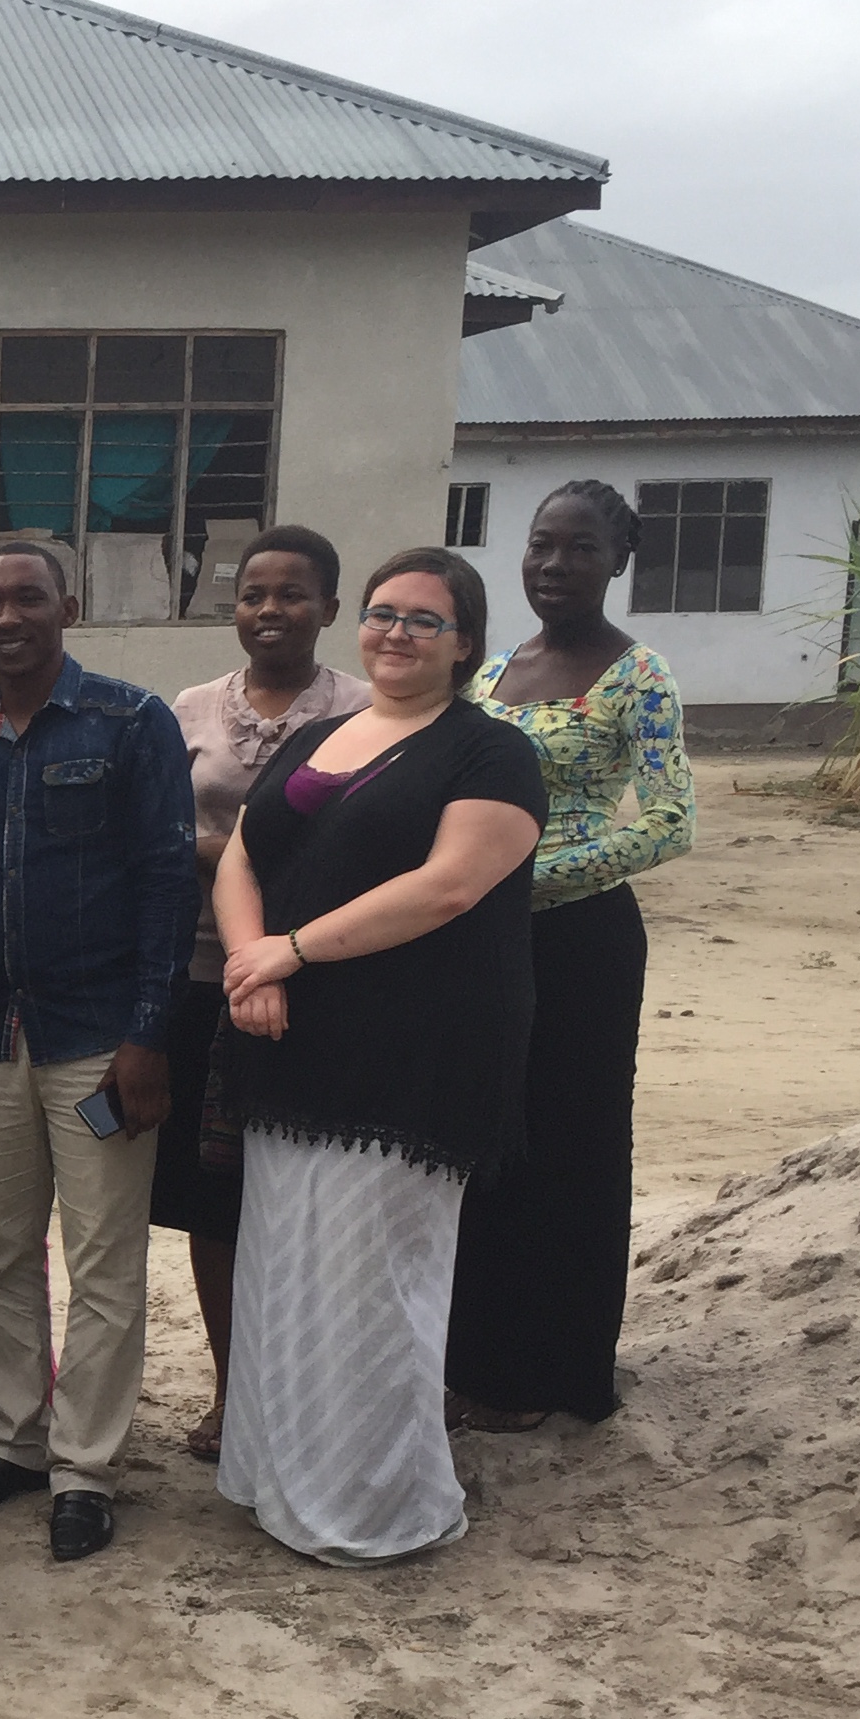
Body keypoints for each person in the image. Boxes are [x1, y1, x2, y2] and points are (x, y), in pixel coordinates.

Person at [211, 546, 546, 1566]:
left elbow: (449, 886)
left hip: (414, 1056)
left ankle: (374, 1503)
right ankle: (277, 1478)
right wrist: (252, 967)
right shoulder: (324, 733)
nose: (396, 632)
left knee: (372, 1284)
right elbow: (241, 854)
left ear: (467, 647)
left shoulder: (491, 753)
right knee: (288, 1268)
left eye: (424, 620)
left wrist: (295, 948)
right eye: (384, 613)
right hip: (294, 1043)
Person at [0, 544, 195, 1564]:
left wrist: (148, 1034)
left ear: (65, 608)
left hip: (98, 1041)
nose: (4, 617)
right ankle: (15, 1441)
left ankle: (86, 1469)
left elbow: (169, 883)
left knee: (104, 1261)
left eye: (24, 597)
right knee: (0, 1255)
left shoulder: (131, 725)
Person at [450, 482, 696, 1433]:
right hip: (481, 939)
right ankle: (478, 1365)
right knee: (486, 1142)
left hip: (582, 942)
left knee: (572, 1147)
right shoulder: (494, 671)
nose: (554, 566)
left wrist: (526, 874)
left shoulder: (640, 677)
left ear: (618, 561)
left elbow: (673, 821)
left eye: (580, 550)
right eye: (541, 545)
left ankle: (557, 1372)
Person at [155, 526, 368, 1461]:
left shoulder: (368, 712)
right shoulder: (187, 712)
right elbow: (156, 841)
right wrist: (252, 854)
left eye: (292, 594)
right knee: (216, 1198)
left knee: (315, 1195)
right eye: (252, 594)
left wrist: (226, 853)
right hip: (206, 981)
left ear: (330, 605)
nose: (270, 610)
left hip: (326, 985)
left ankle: (316, 1392)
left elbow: (369, 851)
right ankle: (234, 1389)